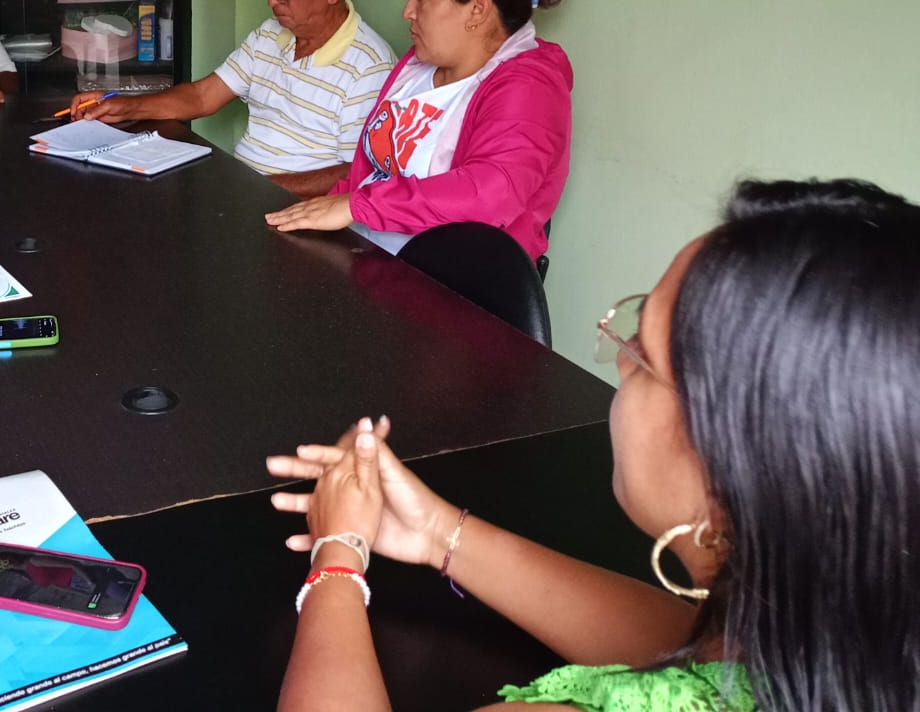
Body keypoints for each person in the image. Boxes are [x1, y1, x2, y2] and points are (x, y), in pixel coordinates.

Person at [266, 178, 920, 711]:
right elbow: (705, 651)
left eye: (641, 349)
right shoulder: (849, 641)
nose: (620, 357)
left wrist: (337, 561)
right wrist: (438, 532)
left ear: (731, 461)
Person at [266, 0, 571, 258]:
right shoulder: (417, 65)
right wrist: (318, 212)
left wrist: (357, 206)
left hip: (444, 277)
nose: (408, 11)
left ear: (477, 9)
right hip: (364, 252)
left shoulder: (531, 88)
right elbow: (367, 173)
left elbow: (489, 193)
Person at [74, 0, 396, 198]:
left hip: (299, 213)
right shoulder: (270, 35)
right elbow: (202, 96)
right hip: (245, 194)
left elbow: (355, 174)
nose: (273, 0)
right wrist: (123, 107)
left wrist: (255, 190)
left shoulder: (369, 67)